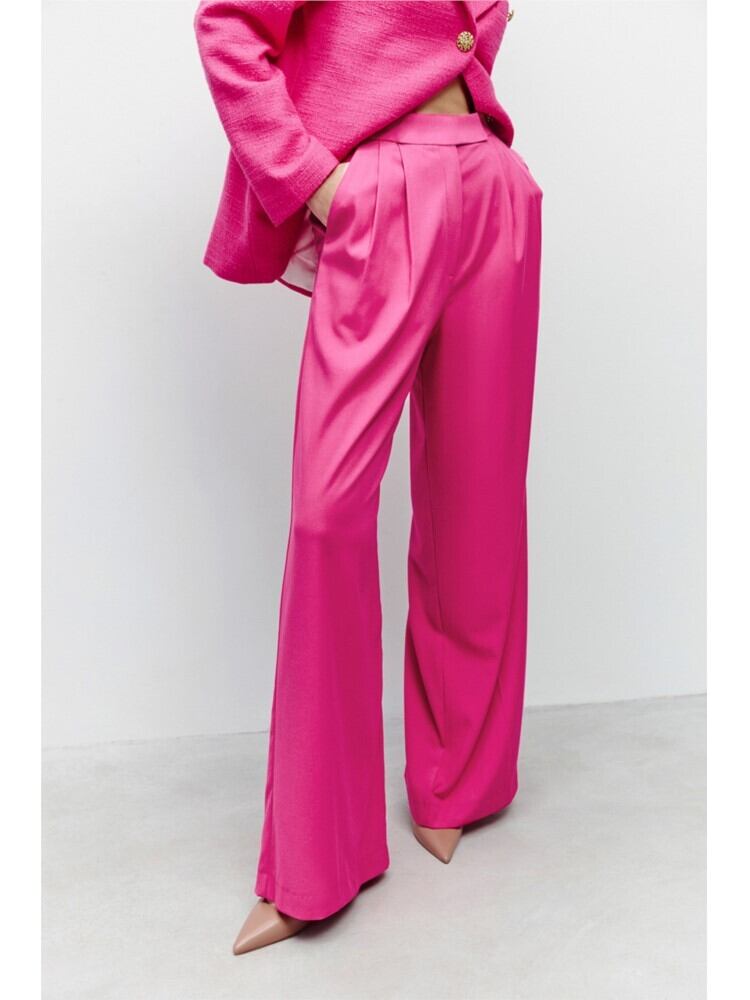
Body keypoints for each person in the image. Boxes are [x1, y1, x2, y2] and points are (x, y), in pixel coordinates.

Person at [194, 0, 542, 953]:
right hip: (380, 188)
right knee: (327, 514)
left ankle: (459, 781)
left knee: (478, 501)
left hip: (490, 183)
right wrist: (317, 182)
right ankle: (316, 858)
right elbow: (230, 27)